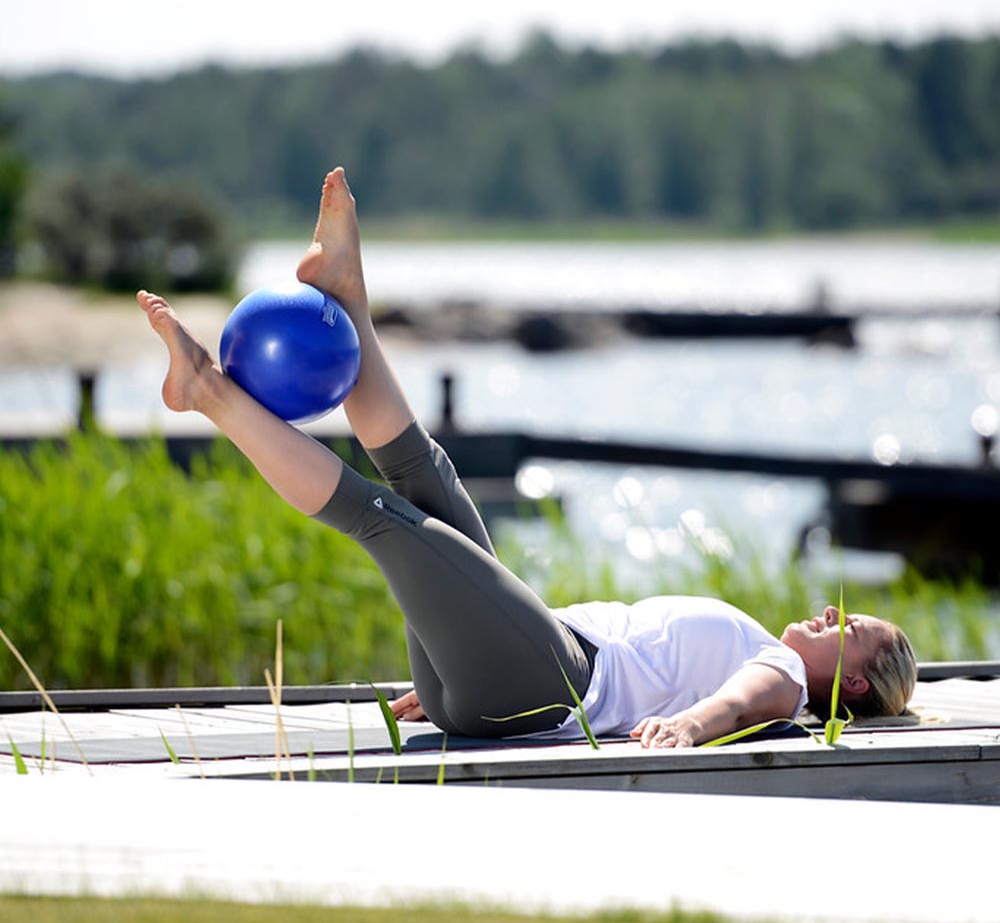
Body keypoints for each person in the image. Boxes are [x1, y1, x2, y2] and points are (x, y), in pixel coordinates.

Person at [137, 167, 917, 749]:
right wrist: (460, 648)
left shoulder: (780, 675)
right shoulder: (768, 642)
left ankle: (207, 390)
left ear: (852, 681)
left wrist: (685, 728)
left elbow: (737, 707)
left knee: (389, 519)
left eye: (853, 628)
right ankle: (348, 296)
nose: (831, 613)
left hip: (548, 687)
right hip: (516, 670)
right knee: (426, 478)